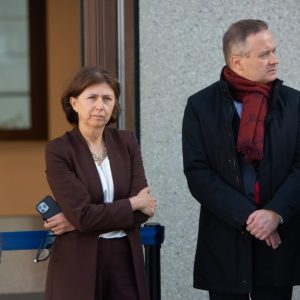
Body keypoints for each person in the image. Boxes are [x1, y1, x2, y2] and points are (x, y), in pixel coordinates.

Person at [182, 19, 300, 300]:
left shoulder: (295, 104)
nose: (275, 60)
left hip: (278, 244)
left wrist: (274, 214)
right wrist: (250, 218)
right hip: (225, 243)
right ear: (237, 61)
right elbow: (198, 173)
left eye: (274, 51)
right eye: (265, 54)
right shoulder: (200, 105)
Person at [42, 66, 156, 300]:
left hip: (126, 260)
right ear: (74, 103)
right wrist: (132, 203)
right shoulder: (59, 150)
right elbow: (84, 215)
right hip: (78, 262)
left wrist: (77, 221)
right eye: (91, 97)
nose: (100, 106)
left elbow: (144, 212)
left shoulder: (127, 142)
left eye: (107, 98)